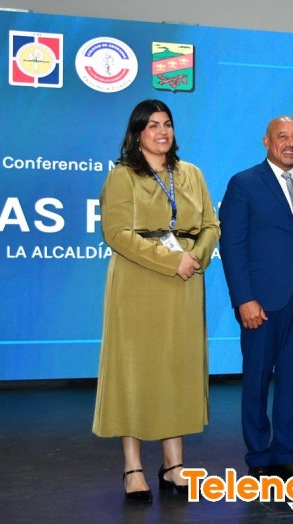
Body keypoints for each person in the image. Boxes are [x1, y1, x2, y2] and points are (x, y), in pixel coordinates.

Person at [92, 99, 220, 503]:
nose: (162, 131)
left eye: (167, 124)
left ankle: (174, 465)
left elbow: (211, 224)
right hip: (139, 282)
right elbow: (117, 234)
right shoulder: (122, 176)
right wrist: (171, 260)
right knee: (135, 371)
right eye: (152, 125)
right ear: (137, 134)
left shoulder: (191, 173)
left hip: (185, 280)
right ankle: (133, 467)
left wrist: (195, 256)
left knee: (175, 370)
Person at [219, 116, 293, 479]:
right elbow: (232, 246)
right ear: (266, 141)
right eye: (282, 137)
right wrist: (243, 299)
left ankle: (285, 452)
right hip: (261, 303)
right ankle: (258, 457)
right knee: (256, 380)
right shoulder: (244, 183)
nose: (290, 143)